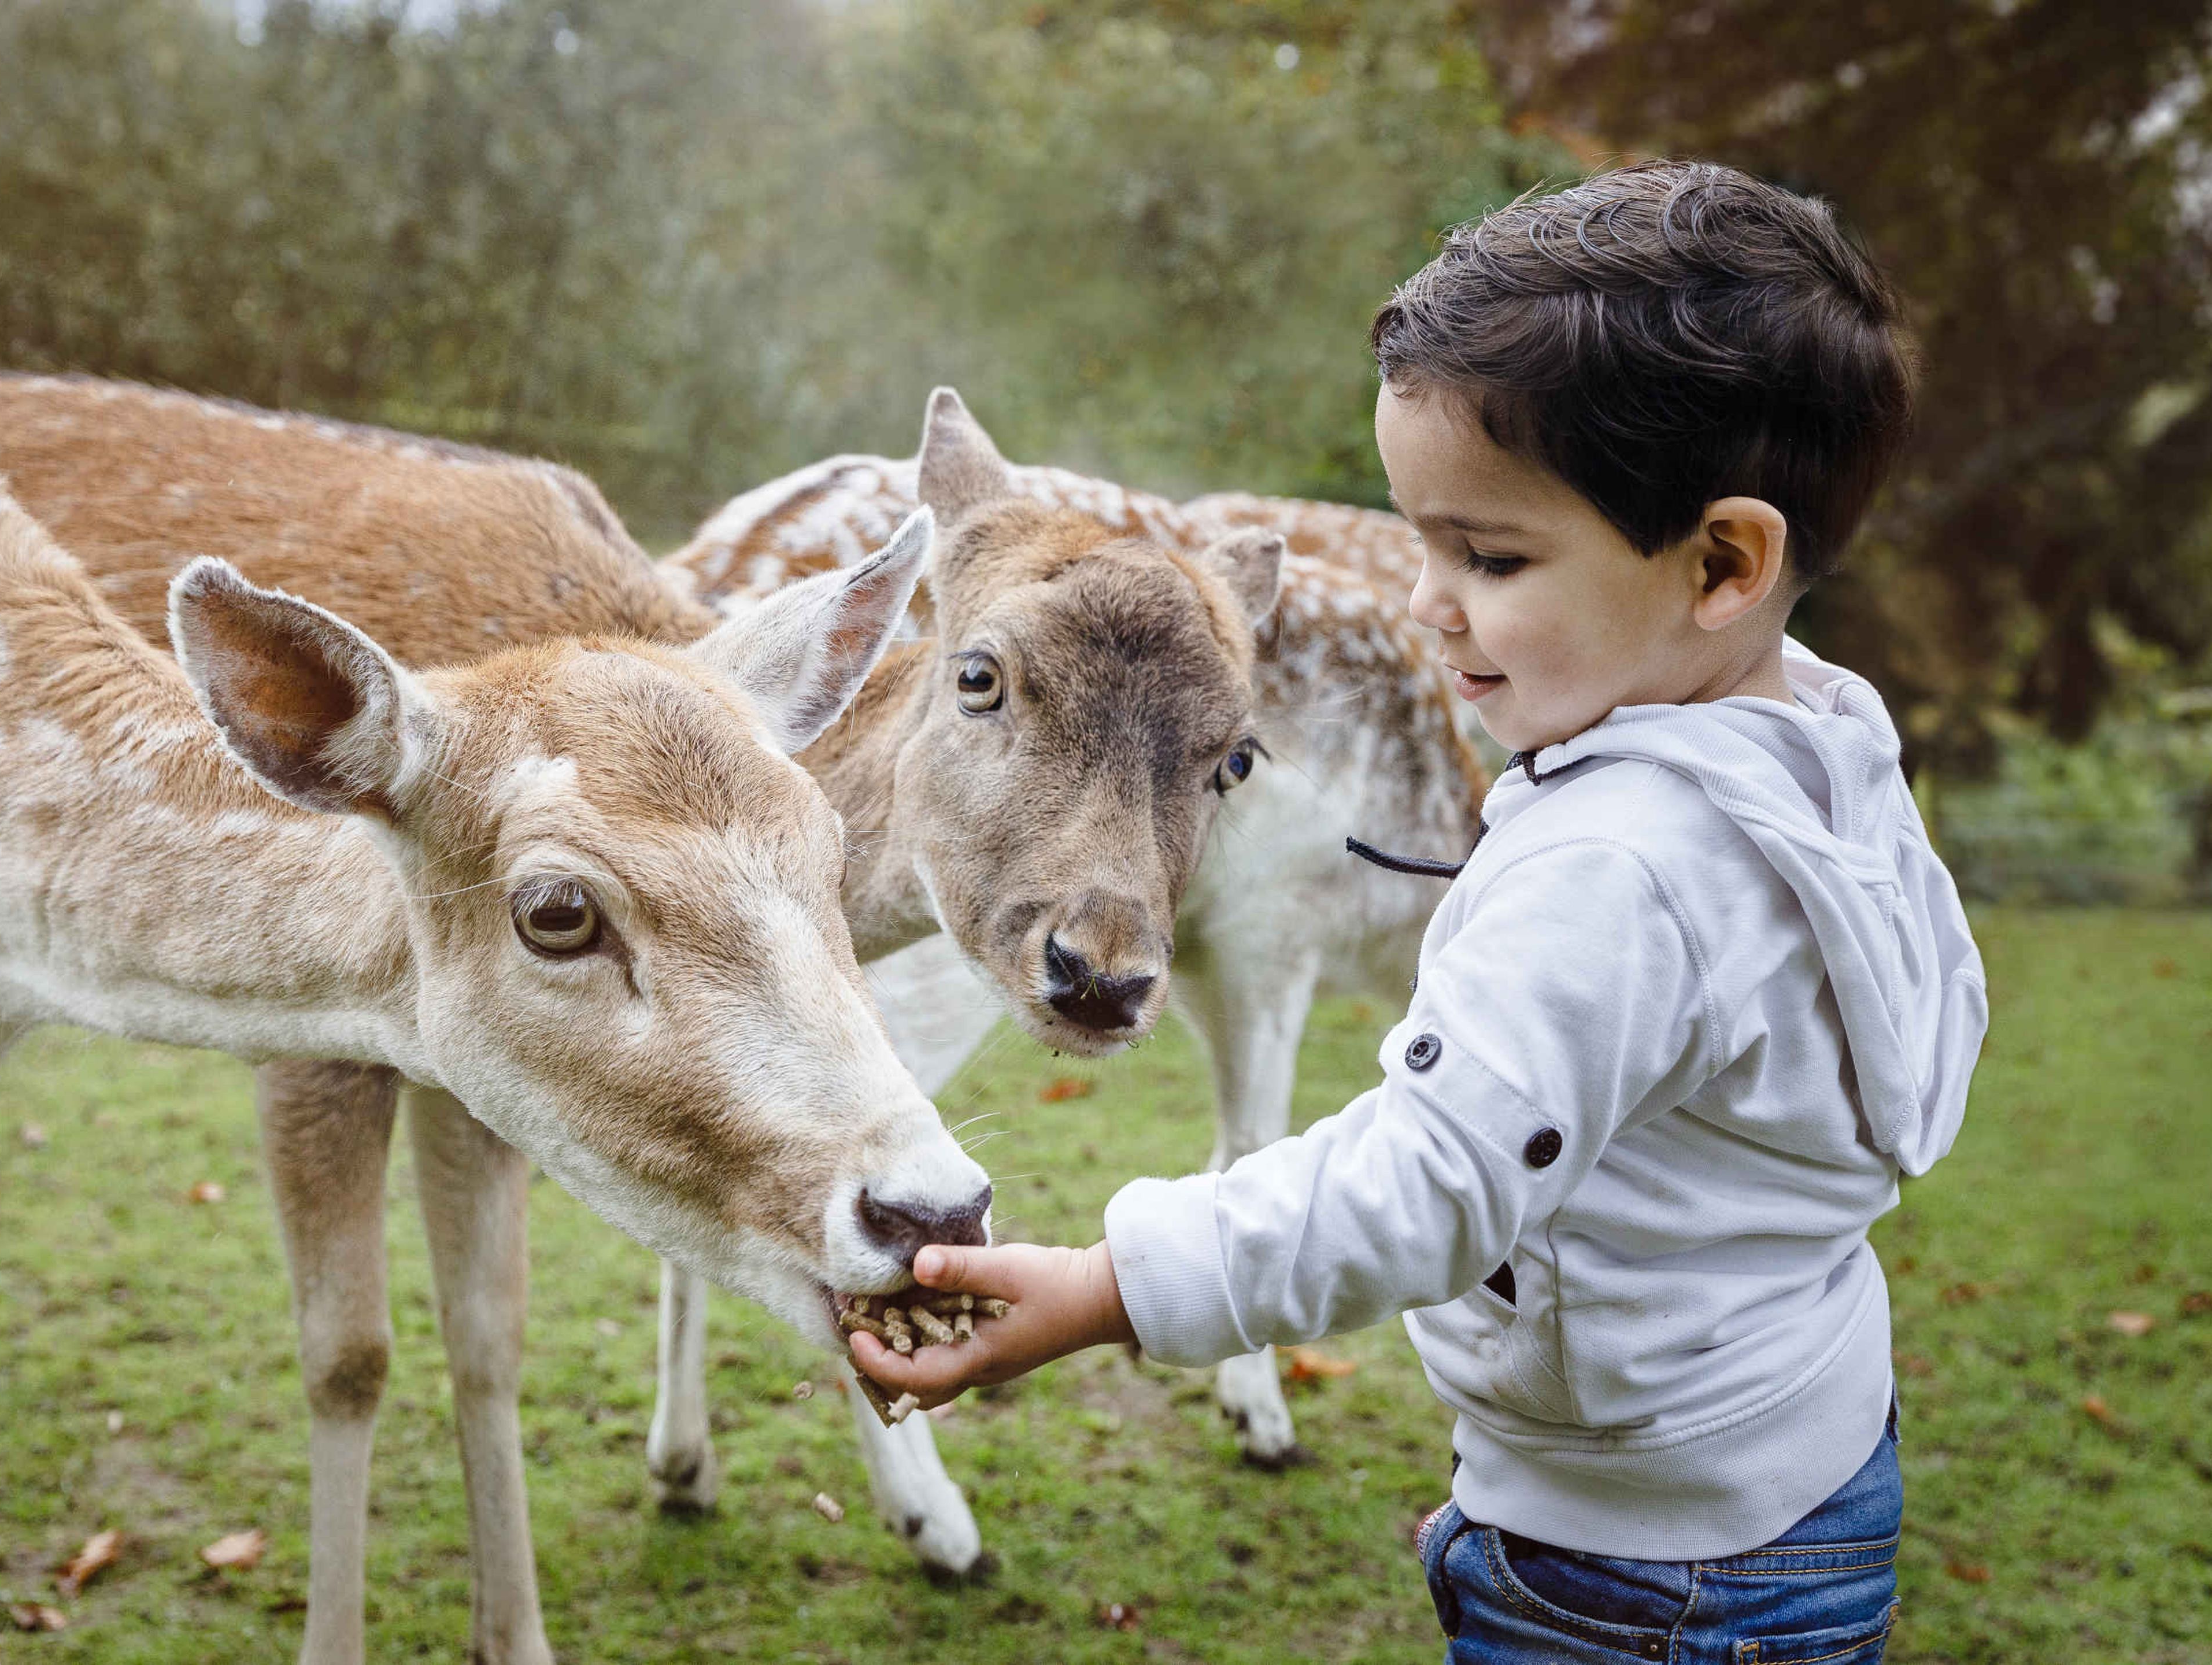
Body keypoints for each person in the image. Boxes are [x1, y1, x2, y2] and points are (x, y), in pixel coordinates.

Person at [852, 160, 1988, 1662]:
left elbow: (1428, 1188)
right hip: (1808, 1465)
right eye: (1418, 539)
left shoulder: (1619, 869)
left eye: (1488, 557)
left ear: (1724, 561)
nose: (1421, 600)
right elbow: (1935, 1031)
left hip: (1641, 1574)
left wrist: (1110, 1286)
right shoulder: (1831, 744)